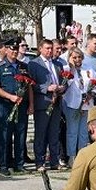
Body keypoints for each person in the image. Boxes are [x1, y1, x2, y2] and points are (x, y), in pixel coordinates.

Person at [0, 37, 34, 176]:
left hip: (21, 106)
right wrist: (9, 96)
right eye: (12, 49)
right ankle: (4, 164)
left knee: (21, 134)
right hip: (6, 106)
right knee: (4, 135)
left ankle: (19, 164)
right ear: (6, 50)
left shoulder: (23, 66)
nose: (14, 52)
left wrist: (31, 104)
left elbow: (29, 86)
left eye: (16, 49)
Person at [28, 40, 66, 170]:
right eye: (47, 48)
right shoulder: (34, 64)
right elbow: (31, 85)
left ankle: (54, 161)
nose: (50, 51)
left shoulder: (57, 64)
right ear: (40, 49)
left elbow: (63, 82)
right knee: (41, 134)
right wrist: (46, 88)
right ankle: (40, 161)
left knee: (54, 133)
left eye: (51, 48)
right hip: (43, 103)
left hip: (56, 103)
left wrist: (62, 88)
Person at [62, 48, 94, 163]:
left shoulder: (88, 69)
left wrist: (92, 93)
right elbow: (65, 85)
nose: (77, 59)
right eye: (74, 57)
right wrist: (71, 69)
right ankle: (71, 156)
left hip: (87, 104)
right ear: (70, 58)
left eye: (79, 57)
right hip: (72, 104)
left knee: (84, 132)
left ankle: (82, 155)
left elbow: (95, 84)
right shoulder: (67, 69)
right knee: (72, 131)